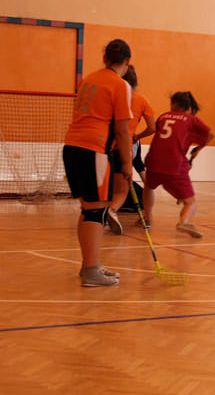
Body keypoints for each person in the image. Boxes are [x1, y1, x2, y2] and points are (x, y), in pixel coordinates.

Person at [62, 39, 132, 286]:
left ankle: (89, 265)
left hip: (72, 147)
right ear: (127, 61)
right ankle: (92, 271)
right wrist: (127, 163)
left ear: (105, 58)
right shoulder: (120, 85)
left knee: (88, 208)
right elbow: (122, 130)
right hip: (94, 150)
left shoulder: (89, 79)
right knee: (95, 209)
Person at [143, 92, 215, 238]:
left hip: (153, 161)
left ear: (174, 104)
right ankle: (184, 222)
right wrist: (199, 148)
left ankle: (147, 218)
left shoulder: (163, 116)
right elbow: (211, 134)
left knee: (148, 187)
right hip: (174, 165)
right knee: (190, 202)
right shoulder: (191, 120)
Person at [105, 65, 156, 235]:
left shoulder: (113, 98)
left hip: (105, 148)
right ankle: (112, 210)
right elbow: (152, 127)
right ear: (136, 83)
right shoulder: (141, 100)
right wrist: (137, 136)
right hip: (124, 148)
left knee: (109, 186)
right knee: (122, 190)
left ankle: (100, 212)